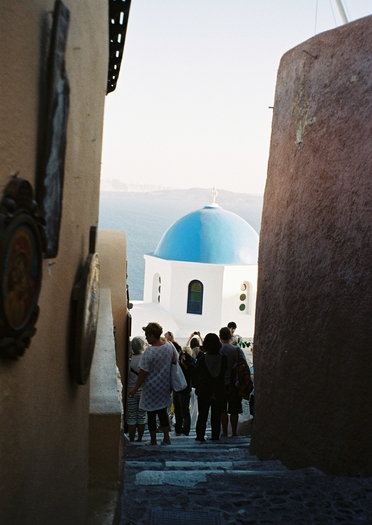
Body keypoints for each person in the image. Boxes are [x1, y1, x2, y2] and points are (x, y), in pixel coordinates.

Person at [128, 322, 179, 446]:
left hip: (150, 388)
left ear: (152, 335)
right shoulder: (169, 346)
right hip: (164, 386)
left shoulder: (149, 351)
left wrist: (135, 388)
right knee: (163, 412)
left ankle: (153, 440)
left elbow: (143, 372)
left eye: (146, 335)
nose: (145, 338)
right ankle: (167, 438)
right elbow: (175, 359)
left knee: (151, 414)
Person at [194, 333, 227, 442]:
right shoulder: (224, 358)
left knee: (202, 415)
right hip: (219, 390)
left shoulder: (202, 359)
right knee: (216, 416)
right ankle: (215, 436)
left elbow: (196, 374)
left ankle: (200, 436)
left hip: (204, 390)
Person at [219, 326, 248, 437]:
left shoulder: (218, 350)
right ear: (230, 336)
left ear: (220, 336)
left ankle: (224, 432)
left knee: (223, 409)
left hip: (221, 384)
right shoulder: (236, 350)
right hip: (234, 384)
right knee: (234, 409)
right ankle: (234, 432)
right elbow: (244, 364)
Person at [127, 336, 147, 442]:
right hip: (143, 391)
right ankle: (139, 438)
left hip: (131, 391)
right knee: (142, 416)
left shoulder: (129, 360)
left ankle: (131, 438)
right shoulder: (145, 359)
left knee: (131, 416)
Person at [174, 347, 195, 436]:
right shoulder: (182, 360)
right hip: (181, 388)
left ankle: (183, 429)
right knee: (181, 410)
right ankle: (181, 429)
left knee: (182, 410)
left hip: (182, 388)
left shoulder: (187, 360)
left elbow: (190, 371)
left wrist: (183, 363)